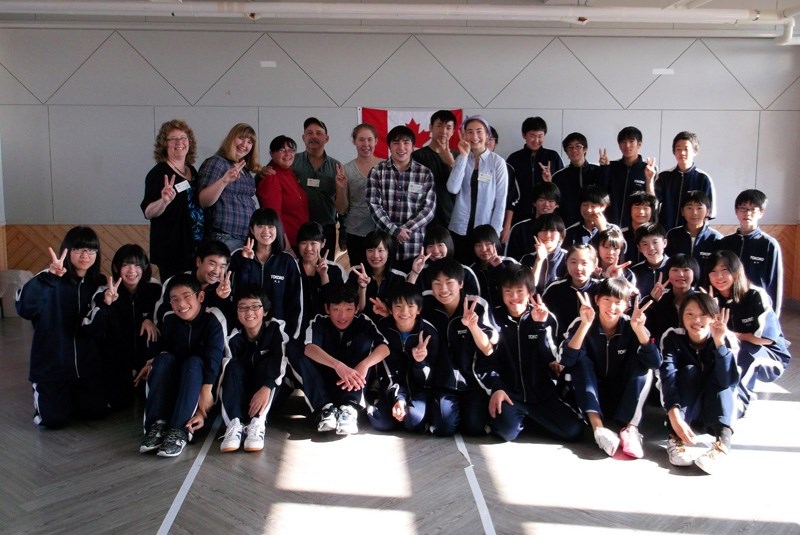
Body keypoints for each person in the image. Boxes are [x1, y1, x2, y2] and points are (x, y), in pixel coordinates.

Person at [481, 264, 584, 442]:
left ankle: (529, 418)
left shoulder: (545, 317)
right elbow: (485, 361)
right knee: (506, 432)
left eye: (520, 291)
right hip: (510, 394)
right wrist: (496, 387)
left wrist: (540, 326)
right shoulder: (493, 318)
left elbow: (553, 357)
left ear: (530, 292)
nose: (514, 297)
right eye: (508, 291)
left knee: (573, 431)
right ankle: (523, 419)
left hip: (543, 394)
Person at [16, 226, 106, 428]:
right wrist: (49, 277)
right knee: (54, 421)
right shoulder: (50, 277)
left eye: (91, 250)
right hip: (51, 367)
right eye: (79, 249)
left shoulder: (99, 283)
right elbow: (24, 308)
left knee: (94, 412)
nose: (86, 255)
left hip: (85, 368)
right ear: (67, 250)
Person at [560, 278, 660, 458]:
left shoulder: (632, 325)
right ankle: (599, 430)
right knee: (580, 360)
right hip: (590, 396)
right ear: (597, 300)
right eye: (607, 300)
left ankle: (631, 429)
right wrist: (585, 325)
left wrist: (639, 330)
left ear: (627, 305)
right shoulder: (580, 322)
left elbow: (655, 362)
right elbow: (566, 360)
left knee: (644, 365)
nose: (612, 307)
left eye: (618, 302)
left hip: (621, 398)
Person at [138, 274, 227, 457]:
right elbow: (163, 348)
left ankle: (179, 430)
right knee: (162, 360)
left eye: (187, 297)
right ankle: (157, 426)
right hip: (176, 382)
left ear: (200, 297)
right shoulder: (169, 318)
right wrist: (153, 359)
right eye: (175, 300)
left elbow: (215, 359)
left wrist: (205, 399)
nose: (181, 304)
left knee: (194, 362)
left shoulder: (213, 318)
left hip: (200, 387)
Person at [659, 292, 738, 474]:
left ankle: (723, 445)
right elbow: (666, 378)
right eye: (690, 314)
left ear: (713, 316)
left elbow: (729, 382)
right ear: (681, 316)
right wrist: (674, 417)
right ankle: (675, 438)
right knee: (689, 371)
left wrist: (719, 343)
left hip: (717, 407)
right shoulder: (672, 337)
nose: (697, 320)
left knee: (719, 380)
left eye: (703, 314)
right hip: (687, 407)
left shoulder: (727, 338)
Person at [705, 250, 791, 418]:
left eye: (725, 270)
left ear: (736, 271)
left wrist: (729, 334)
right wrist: (709, 310)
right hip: (735, 348)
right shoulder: (711, 298)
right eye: (713, 271)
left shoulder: (755, 295)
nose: (719, 276)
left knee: (747, 355)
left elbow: (764, 339)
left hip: (771, 357)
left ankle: (737, 406)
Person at [422, 258, 499, 436]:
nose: (443, 289)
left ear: (461, 283)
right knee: (443, 428)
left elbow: (488, 349)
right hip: (442, 381)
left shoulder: (477, 305)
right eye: (437, 283)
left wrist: (473, 326)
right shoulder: (426, 304)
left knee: (474, 428)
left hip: (473, 381)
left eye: (449, 283)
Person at [301, 283, 390, 435]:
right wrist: (338, 366)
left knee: (365, 342)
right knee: (299, 353)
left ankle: (349, 409)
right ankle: (326, 409)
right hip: (325, 382)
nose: (342, 316)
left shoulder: (363, 321)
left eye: (348, 309)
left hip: (354, 382)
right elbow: (309, 348)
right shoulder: (319, 321)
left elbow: (385, 348)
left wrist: (364, 364)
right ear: (327, 308)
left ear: (356, 309)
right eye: (336, 309)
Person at [84, 244, 161, 409]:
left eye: (137, 265)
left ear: (145, 267)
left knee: (150, 400)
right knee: (113, 403)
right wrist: (106, 304)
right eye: (126, 265)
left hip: (146, 361)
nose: (132, 271)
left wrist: (148, 318)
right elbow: (93, 330)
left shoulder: (155, 289)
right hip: (115, 363)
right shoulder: (104, 292)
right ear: (117, 267)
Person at [219, 285, 288, 453]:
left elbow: (282, 360)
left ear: (265, 311)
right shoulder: (233, 337)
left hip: (268, 391)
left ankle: (257, 424)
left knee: (268, 363)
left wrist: (267, 386)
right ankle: (234, 425)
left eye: (255, 306)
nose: (249, 312)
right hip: (241, 393)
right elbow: (225, 375)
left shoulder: (276, 328)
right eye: (243, 308)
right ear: (237, 313)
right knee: (231, 366)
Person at [368, 283, 440, 433]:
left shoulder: (428, 332)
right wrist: (398, 399)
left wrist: (420, 362)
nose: (404, 312)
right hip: (390, 386)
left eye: (411, 306)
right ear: (391, 309)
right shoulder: (383, 329)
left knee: (413, 422)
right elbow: (386, 370)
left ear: (419, 309)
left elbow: (429, 379)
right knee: (381, 423)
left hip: (418, 390)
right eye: (398, 306)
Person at [366, 125, 436, 272]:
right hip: (384, 247)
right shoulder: (377, 172)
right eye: (396, 142)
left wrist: (404, 230)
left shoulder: (424, 173)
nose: (401, 147)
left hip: (414, 244)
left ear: (413, 147)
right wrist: (394, 231)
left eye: (406, 142)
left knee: (412, 289)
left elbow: (429, 209)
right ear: (390, 146)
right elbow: (373, 205)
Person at [141, 119, 205, 280]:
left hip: (196, 246)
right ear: (165, 144)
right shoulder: (158, 173)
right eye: (173, 139)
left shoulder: (192, 171)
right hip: (173, 249)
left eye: (183, 138)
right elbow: (148, 212)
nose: (179, 142)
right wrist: (164, 201)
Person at [228, 209, 303, 340]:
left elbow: (295, 302)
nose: (266, 231)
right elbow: (234, 295)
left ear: (277, 229)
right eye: (260, 226)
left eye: (270, 226)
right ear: (252, 229)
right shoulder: (237, 256)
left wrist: (291, 336)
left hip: (278, 334)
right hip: (244, 332)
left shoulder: (287, 261)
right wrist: (246, 262)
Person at [447, 115, 508, 264]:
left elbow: (501, 201)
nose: (474, 136)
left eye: (479, 131)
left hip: (484, 233)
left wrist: (493, 234)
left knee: (484, 271)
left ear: (487, 134)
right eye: (469, 131)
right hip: (459, 228)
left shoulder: (497, 162)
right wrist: (463, 155)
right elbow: (453, 188)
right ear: (464, 134)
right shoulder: (462, 158)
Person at [716, 189, 783, 317]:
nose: (747, 213)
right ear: (736, 211)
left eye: (753, 209)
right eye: (743, 208)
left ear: (761, 212)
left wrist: (774, 316)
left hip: (756, 305)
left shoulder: (769, 244)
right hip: (727, 305)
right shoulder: (725, 242)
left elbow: (775, 284)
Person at [198, 123, 260, 252]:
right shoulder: (217, 162)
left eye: (249, 142)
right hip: (224, 235)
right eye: (241, 138)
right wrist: (224, 181)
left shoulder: (246, 171)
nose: (244, 144)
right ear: (231, 139)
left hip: (246, 237)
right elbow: (203, 201)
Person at [293, 117, 344, 261]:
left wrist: (343, 233)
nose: (313, 136)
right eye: (309, 133)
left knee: (325, 270)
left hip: (326, 228)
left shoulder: (337, 167)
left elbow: (342, 205)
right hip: (297, 227)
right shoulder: (292, 162)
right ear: (303, 137)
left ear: (326, 138)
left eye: (319, 133)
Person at [153, 239, 233, 329]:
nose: (216, 271)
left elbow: (226, 324)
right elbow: (161, 312)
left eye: (222, 266)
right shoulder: (176, 281)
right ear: (198, 261)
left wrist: (221, 299)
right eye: (212, 264)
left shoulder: (224, 288)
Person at [505, 116, 564, 225]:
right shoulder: (514, 158)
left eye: (540, 136)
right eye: (532, 136)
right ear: (524, 135)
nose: (536, 140)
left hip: (547, 216)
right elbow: (509, 192)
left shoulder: (553, 157)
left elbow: (561, 190)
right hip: (519, 216)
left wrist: (549, 181)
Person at [256, 135, 309, 252]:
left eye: (291, 150)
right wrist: (286, 246)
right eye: (282, 150)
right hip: (286, 245)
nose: (288, 154)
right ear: (271, 153)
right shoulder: (270, 177)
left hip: (300, 241)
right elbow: (273, 217)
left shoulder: (290, 173)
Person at [655, 131, 716, 232]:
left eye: (686, 149)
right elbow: (653, 204)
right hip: (665, 233)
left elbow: (709, 213)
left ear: (695, 151)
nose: (682, 153)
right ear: (674, 151)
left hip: (691, 235)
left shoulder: (703, 178)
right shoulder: (664, 176)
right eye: (678, 149)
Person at [339, 123, 381, 267]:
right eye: (361, 139)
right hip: (355, 232)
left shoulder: (386, 166)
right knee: (359, 275)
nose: (366, 144)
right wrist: (340, 188)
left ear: (376, 141)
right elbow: (341, 209)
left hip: (381, 232)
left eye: (370, 139)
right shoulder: (346, 169)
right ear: (354, 141)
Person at [296, 221, 347, 336]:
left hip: (326, 330)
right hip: (297, 328)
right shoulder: (292, 267)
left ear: (323, 243)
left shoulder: (335, 270)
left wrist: (324, 276)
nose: (308, 248)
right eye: (304, 242)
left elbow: (336, 303)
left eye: (313, 243)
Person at [601, 126, 657, 228]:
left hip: (636, 226)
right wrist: (604, 169)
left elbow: (652, 202)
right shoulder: (611, 167)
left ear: (639, 144)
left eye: (631, 141)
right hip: (612, 224)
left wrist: (649, 179)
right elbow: (602, 193)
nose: (627, 145)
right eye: (623, 142)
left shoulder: (648, 169)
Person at [542, 244, 601, 340]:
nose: (578, 267)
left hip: (594, 345)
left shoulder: (601, 288)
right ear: (566, 262)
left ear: (594, 265)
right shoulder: (554, 289)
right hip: (562, 345)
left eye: (584, 263)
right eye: (573, 262)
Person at [347, 230, 408, 322]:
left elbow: (403, 310)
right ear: (365, 252)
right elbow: (357, 309)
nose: (375, 255)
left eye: (381, 250)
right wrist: (362, 288)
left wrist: (388, 312)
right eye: (370, 250)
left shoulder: (400, 277)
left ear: (389, 253)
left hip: (388, 326)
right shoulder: (354, 273)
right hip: (361, 326)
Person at [411, 110, 458, 227]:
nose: (443, 131)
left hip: (451, 218)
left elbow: (462, 187)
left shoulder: (459, 157)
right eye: (439, 126)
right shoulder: (417, 156)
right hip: (423, 219)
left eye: (448, 127)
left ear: (453, 131)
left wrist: (451, 163)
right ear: (431, 128)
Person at [406, 224, 480, 296]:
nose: (435, 251)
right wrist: (415, 272)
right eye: (430, 246)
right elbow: (406, 299)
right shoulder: (420, 271)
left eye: (440, 245)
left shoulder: (465, 272)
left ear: (448, 245)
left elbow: (475, 300)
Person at [551, 132, 604, 228]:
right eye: (570, 147)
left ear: (585, 149)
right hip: (568, 226)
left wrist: (606, 168)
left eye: (578, 146)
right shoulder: (559, 176)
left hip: (595, 224)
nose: (574, 150)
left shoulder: (598, 172)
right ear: (566, 152)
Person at [646, 254, 699, 343]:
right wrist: (651, 299)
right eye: (675, 270)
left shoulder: (700, 302)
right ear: (668, 273)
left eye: (686, 270)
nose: (680, 274)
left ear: (695, 273)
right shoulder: (661, 302)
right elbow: (647, 327)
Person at [664, 190, 721, 271]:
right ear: (682, 211)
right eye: (689, 208)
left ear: (707, 211)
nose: (694, 212)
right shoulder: (672, 235)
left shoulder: (716, 238)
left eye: (699, 208)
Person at [504, 181, 561, 260]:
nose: (546, 204)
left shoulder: (560, 228)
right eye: (542, 200)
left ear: (556, 205)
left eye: (551, 201)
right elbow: (510, 260)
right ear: (534, 202)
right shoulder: (519, 229)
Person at [469, 224, 518, 310]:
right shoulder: (471, 271)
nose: (484, 249)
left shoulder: (509, 262)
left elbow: (519, 286)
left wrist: (500, 266)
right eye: (478, 245)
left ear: (495, 243)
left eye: (488, 244)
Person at [519, 213, 567, 296]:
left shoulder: (568, 257)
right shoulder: (527, 258)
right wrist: (539, 260)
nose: (547, 235)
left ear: (560, 235)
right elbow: (526, 289)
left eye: (552, 231)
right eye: (543, 230)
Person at [630, 223, 669, 300]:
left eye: (655, 242)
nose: (651, 248)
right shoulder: (634, 272)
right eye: (645, 244)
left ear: (664, 243)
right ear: (639, 248)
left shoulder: (675, 267)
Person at [621, 191, 657, 265]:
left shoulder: (658, 236)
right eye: (637, 207)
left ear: (652, 211)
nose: (641, 212)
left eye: (645, 208)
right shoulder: (621, 235)